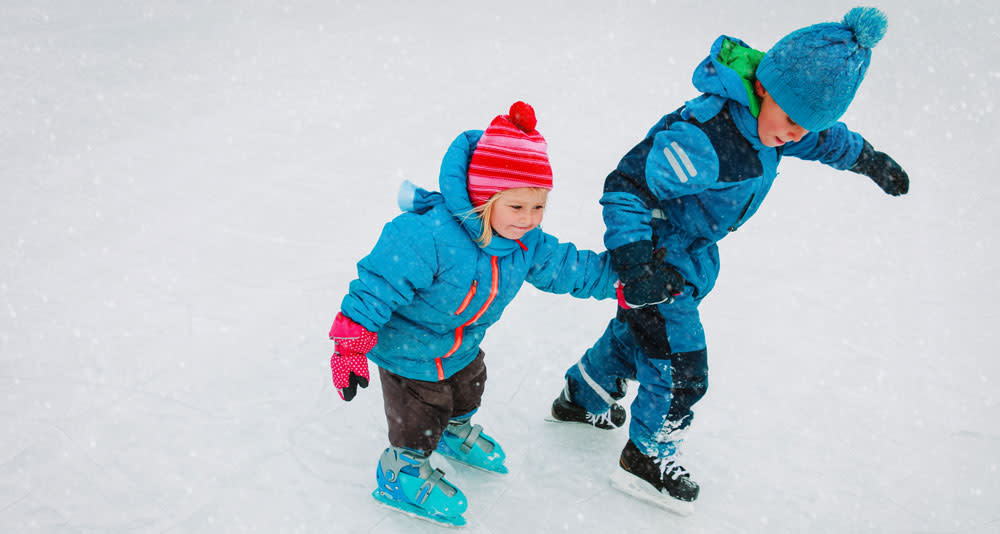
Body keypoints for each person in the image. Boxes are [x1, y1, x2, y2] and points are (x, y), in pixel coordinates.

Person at [548, 7, 910, 515]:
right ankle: (646, 457)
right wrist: (635, 263)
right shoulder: (708, 138)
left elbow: (826, 138)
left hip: (688, 255)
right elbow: (627, 185)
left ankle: (582, 393)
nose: (795, 136)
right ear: (765, 88)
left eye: (806, 127)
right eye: (791, 122)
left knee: (642, 333)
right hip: (658, 257)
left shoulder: (777, 122)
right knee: (681, 365)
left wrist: (868, 159)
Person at [328, 102, 637, 526]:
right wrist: (350, 346)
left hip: (461, 342)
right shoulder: (429, 235)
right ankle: (401, 468)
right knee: (421, 411)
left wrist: (621, 280)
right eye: (517, 207)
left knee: (469, 385)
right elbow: (376, 285)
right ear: (483, 197)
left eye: (538, 206)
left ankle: (454, 432)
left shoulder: (525, 242)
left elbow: (568, 267)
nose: (528, 220)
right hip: (409, 349)